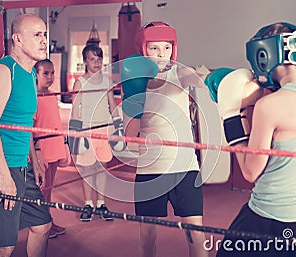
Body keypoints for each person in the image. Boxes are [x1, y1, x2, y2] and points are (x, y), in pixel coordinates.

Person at [206, 22, 296, 256]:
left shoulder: (270, 106)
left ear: (262, 55)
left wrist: (230, 116)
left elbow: (250, 171)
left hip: (271, 216)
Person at [121, 21, 209, 257]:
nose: (162, 55)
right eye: (154, 49)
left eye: (166, 48)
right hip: (151, 169)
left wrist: (203, 78)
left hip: (185, 168)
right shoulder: (133, 83)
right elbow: (130, 139)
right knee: (147, 236)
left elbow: (198, 81)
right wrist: (136, 97)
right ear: (143, 49)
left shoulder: (179, 72)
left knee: (196, 235)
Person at [0, 14, 52, 257]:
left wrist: (34, 161)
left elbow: (23, 123)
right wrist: (5, 176)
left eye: (45, 34)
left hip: (21, 166)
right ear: (17, 39)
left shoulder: (29, 74)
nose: (43, 41)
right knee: (3, 246)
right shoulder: (3, 71)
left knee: (42, 226)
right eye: (37, 35)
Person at [69, 44, 124, 222]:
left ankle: (100, 203)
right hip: (86, 129)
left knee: (102, 168)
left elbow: (112, 104)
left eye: (99, 59)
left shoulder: (106, 81)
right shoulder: (80, 82)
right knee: (87, 169)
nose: (96, 62)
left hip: (104, 128)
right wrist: (76, 133)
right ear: (85, 61)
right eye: (92, 59)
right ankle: (88, 204)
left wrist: (118, 126)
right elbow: (75, 109)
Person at [33, 59, 71, 239]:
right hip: (43, 152)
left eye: (52, 73)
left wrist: (64, 146)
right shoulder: (33, 98)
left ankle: (47, 222)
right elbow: (30, 128)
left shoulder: (52, 95)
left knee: (48, 190)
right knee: (42, 190)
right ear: (36, 75)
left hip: (55, 149)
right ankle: (42, 225)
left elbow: (56, 123)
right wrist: (36, 151)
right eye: (45, 73)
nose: (50, 77)